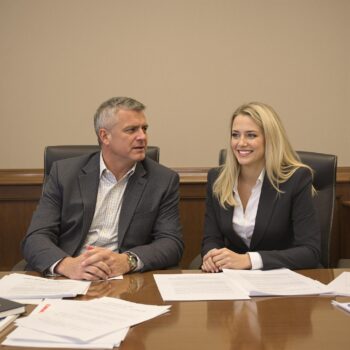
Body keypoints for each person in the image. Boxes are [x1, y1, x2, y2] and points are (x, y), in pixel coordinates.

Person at [22, 97, 184, 280]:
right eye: (131, 130)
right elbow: (36, 237)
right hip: (68, 277)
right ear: (104, 136)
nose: (142, 137)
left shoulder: (163, 179)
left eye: (144, 129)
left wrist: (128, 260)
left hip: (125, 280)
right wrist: (67, 265)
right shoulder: (64, 174)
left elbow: (171, 243)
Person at [201, 102, 320, 272]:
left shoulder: (296, 179)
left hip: (285, 280)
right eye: (235, 135)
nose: (241, 143)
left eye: (251, 135)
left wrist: (250, 260)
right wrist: (212, 256)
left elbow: (310, 252)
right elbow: (211, 238)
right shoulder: (218, 179)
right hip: (234, 282)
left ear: (270, 139)